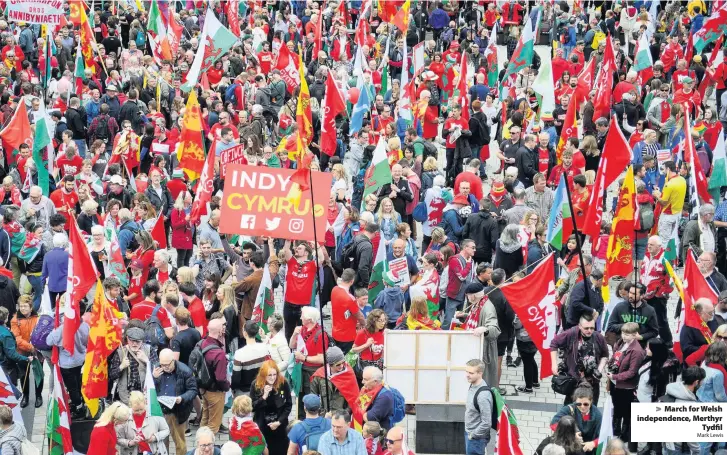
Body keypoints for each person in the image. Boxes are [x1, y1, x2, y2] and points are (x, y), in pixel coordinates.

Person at [550, 314, 608, 405]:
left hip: (592, 382)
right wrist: (554, 364)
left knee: (590, 411)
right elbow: (554, 343)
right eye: (586, 328)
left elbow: (605, 355)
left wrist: (599, 370)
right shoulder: (571, 333)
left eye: (592, 328)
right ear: (579, 326)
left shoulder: (598, 337)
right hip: (574, 380)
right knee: (570, 411)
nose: (589, 331)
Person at [607, 322, 646, 446]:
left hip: (626, 387)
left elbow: (632, 372)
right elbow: (616, 358)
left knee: (626, 413)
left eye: (628, 334)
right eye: (623, 333)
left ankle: (624, 436)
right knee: (617, 410)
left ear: (635, 335)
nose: (624, 336)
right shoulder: (620, 343)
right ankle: (615, 432)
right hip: (615, 384)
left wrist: (615, 376)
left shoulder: (637, 351)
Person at [153, 348, 198, 455]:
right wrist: (153, 377)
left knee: (179, 442)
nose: (165, 367)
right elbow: (149, 387)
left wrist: (182, 398)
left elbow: (193, 390)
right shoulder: (156, 368)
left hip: (176, 412)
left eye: (167, 364)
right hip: (160, 411)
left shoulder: (185, 371)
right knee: (162, 441)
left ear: (173, 360)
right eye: (162, 364)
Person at [289, 306, 330, 419]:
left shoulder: (321, 335)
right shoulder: (301, 329)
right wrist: (294, 334)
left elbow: (322, 359)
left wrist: (304, 358)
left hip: (313, 372)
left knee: (310, 397)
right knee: (300, 396)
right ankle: (301, 418)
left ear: (309, 320)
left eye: (303, 315)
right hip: (301, 370)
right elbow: (292, 346)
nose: (300, 317)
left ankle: (311, 418)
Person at [249, 360, 293, 455]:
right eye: (270, 375)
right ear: (264, 375)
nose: (273, 378)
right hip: (262, 424)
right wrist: (263, 396)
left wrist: (279, 421)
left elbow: (288, 405)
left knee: (281, 449)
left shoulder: (283, 383)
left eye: (274, 374)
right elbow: (252, 407)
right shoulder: (255, 385)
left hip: (280, 423)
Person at [108, 326, 159, 406]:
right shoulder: (120, 352)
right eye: (132, 341)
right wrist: (121, 367)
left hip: (145, 394)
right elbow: (111, 376)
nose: (134, 344)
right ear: (127, 339)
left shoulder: (149, 350)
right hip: (125, 396)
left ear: (142, 341)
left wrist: (147, 361)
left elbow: (157, 372)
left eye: (137, 341)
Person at [663, 367, 707, 455]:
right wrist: (697, 451)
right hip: (679, 446)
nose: (703, 383)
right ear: (696, 382)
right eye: (702, 381)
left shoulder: (674, 389)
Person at [641, 236, 674, 344]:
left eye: (652, 245)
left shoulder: (665, 258)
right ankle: (647, 338)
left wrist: (661, 293)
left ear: (659, 247)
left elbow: (670, 277)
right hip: (644, 292)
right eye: (648, 244)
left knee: (660, 319)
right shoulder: (645, 255)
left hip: (658, 294)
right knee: (645, 317)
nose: (649, 246)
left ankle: (667, 341)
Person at [550, 386, 602, 453]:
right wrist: (571, 433)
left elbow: (603, 436)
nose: (582, 407)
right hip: (569, 448)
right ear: (575, 401)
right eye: (579, 404)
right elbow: (553, 423)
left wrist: (593, 443)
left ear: (591, 401)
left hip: (588, 449)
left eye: (586, 404)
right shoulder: (569, 409)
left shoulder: (597, 414)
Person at [606, 282, 660, 348]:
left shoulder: (650, 310)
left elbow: (654, 332)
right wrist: (626, 326)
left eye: (634, 294)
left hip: (640, 346)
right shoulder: (619, 307)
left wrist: (641, 337)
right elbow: (610, 327)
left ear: (642, 295)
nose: (630, 295)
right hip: (621, 345)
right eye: (630, 292)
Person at [199, 318, 230, 434]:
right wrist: (228, 386)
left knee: (205, 418)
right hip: (215, 392)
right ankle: (207, 446)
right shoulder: (219, 354)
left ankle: (200, 441)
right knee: (213, 425)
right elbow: (221, 378)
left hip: (203, 388)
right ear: (220, 331)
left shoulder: (202, 343)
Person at [10, 294, 41, 408]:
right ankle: (26, 396)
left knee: (38, 373)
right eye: (21, 306)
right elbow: (17, 339)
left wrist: (36, 348)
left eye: (25, 306)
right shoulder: (15, 320)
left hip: (36, 351)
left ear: (31, 307)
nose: (22, 308)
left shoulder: (37, 318)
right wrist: (30, 347)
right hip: (22, 351)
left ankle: (38, 395)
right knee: (24, 375)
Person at [117, 391, 170, 455]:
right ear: (130, 405)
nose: (139, 412)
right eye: (136, 410)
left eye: (142, 409)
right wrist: (130, 442)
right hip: (131, 452)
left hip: (154, 451)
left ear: (145, 403)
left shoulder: (154, 412)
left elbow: (166, 430)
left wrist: (155, 437)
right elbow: (118, 438)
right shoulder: (124, 415)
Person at [311, 346, 360, 415]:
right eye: (338, 364)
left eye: (343, 362)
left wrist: (346, 413)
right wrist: (319, 413)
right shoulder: (320, 375)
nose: (342, 366)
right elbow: (312, 396)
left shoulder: (348, 374)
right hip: (324, 416)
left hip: (342, 417)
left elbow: (354, 398)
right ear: (330, 365)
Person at [331, 269, 365, 353]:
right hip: (348, 335)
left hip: (335, 332)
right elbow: (360, 316)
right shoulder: (350, 298)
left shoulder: (334, 290)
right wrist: (364, 324)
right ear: (352, 280)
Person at [680, 298, 721, 366]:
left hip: (713, 362)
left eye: (713, 312)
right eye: (710, 313)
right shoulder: (688, 327)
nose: (712, 315)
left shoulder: (713, 322)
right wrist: (706, 349)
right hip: (695, 366)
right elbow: (686, 349)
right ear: (699, 312)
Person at [464, 359, 493, 454]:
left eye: (471, 373)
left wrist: (472, 435)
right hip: (471, 433)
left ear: (480, 373)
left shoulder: (483, 396)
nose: (467, 375)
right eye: (466, 371)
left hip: (476, 439)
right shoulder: (473, 384)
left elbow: (487, 422)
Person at [232, 321, 270, 394]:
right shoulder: (265, 347)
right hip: (261, 388)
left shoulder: (239, 353)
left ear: (245, 333)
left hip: (245, 391)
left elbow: (236, 378)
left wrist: (233, 388)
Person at [359, 366, 394, 432]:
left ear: (375, 381)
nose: (362, 382)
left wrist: (361, 413)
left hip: (379, 436)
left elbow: (370, 419)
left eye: (365, 379)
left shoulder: (385, 397)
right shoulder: (367, 391)